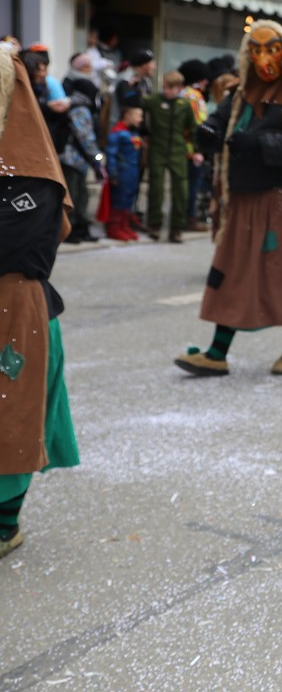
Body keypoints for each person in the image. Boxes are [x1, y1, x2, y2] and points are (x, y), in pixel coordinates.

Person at [174, 19, 282, 377]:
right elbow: (217, 126)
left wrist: (259, 144)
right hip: (243, 199)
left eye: (271, 49)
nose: (263, 57)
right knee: (231, 274)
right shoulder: (240, 95)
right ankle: (217, 352)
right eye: (256, 49)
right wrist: (208, 132)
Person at [0, 50, 80, 560]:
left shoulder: (31, 172)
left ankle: (6, 523)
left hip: (12, 307)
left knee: (12, 415)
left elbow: (22, 242)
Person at [143, 70, 200, 243]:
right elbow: (136, 108)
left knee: (180, 190)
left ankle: (177, 228)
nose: (167, 91)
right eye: (165, 87)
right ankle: (154, 224)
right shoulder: (154, 101)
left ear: (179, 88)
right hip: (157, 149)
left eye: (171, 88)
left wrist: (197, 151)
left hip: (177, 151)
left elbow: (192, 129)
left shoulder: (185, 104)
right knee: (156, 188)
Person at [59, 54, 106, 243]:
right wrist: (96, 158)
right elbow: (85, 136)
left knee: (80, 194)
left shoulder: (75, 103)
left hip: (75, 158)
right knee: (75, 196)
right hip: (72, 158)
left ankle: (80, 229)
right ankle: (72, 231)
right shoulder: (80, 108)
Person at [103, 103, 145, 241]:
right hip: (122, 172)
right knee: (119, 200)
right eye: (138, 115)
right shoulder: (117, 133)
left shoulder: (131, 132)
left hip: (132, 172)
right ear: (127, 115)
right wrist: (113, 173)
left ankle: (124, 225)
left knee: (128, 200)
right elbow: (111, 154)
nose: (140, 119)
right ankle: (114, 228)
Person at [178, 59, 211, 232]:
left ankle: (182, 217)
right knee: (192, 185)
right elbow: (198, 125)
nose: (207, 82)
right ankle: (189, 218)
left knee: (183, 186)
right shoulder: (194, 97)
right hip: (192, 150)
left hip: (180, 148)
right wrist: (200, 149)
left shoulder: (181, 93)